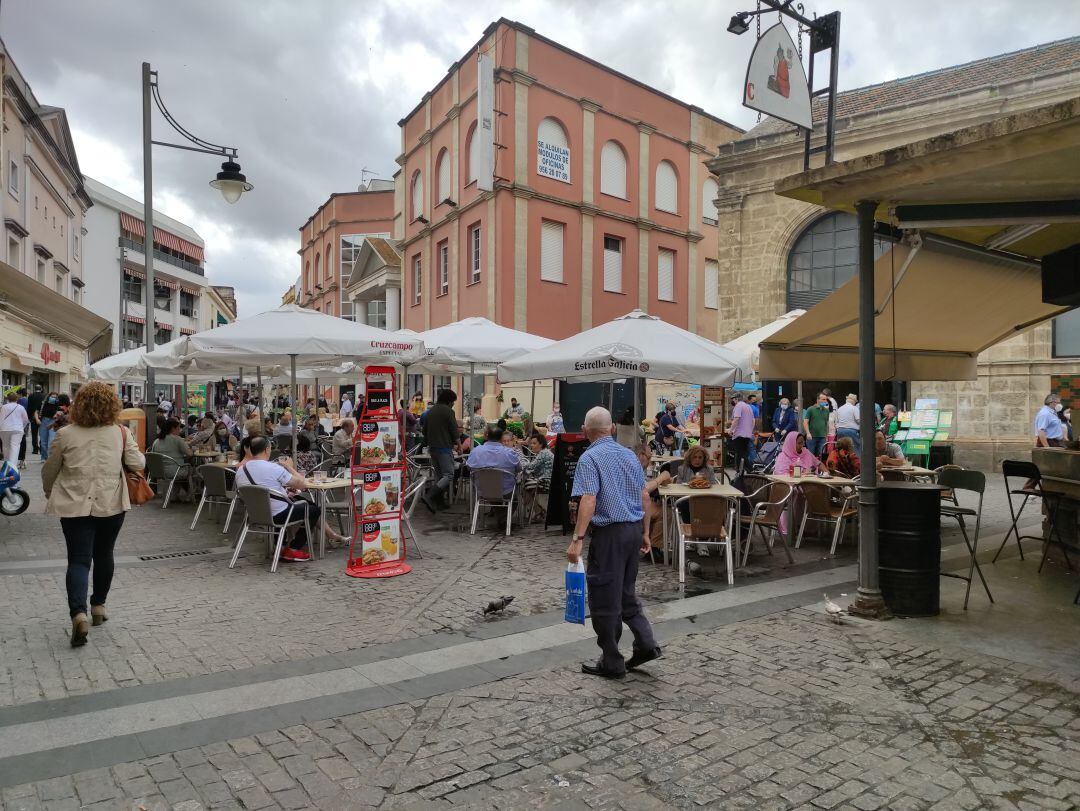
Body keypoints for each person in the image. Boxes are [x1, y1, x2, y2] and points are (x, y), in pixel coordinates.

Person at [42, 382, 145, 647]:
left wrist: (47, 491)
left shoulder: (65, 434)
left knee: (78, 560)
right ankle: (98, 606)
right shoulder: (121, 433)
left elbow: (49, 470)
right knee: (104, 554)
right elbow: (138, 464)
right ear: (113, 406)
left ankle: (78, 614)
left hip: (74, 504)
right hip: (111, 503)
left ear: (79, 405)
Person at [568, 407, 660, 679]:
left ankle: (611, 661)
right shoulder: (629, 456)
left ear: (585, 432)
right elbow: (645, 495)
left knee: (605, 598)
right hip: (632, 531)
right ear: (611, 429)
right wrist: (645, 533)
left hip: (609, 535)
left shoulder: (589, 458)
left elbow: (589, 499)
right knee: (626, 592)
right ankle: (646, 644)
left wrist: (577, 539)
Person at [235, 436, 319, 562]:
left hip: (255, 514)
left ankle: (280, 546)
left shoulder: (241, 470)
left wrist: (283, 492)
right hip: (278, 515)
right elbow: (302, 485)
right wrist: (289, 467)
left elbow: (261, 489)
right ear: (267, 449)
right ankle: (293, 548)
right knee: (313, 509)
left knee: (280, 504)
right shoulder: (273, 468)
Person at [421, 389, 461, 512]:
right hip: (444, 447)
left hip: (432, 448)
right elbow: (454, 431)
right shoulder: (449, 411)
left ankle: (439, 502)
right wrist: (459, 445)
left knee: (439, 475)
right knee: (449, 475)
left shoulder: (430, 411)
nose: (453, 404)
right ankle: (429, 495)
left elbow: (424, 430)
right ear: (449, 401)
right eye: (453, 401)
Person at [466, 427, 522, 497]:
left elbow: (469, 467)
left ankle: (495, 507)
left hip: (482, 490)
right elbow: (519, 468)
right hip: (505, 491)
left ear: (487, 437)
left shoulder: (476, 451)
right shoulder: (509, 452)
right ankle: (502, 507)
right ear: (501, 438)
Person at [0, 392, 30, 471]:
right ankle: (12, 466)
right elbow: (26, 420)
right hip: (17, 429)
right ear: (17, 399)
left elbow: (1, 418)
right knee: (15, 447)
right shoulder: (21, 407)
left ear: (8, 399)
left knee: (5, 446)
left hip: (4, 429)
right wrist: (22, 427)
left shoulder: (3, 407)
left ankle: (6, 464)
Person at [727, 393, 756, 473]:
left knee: (740, 453)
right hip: (747, 434)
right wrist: (750, 430)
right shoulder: (748, 406)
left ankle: (749, 470)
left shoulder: (738, 406)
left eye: (732, 399)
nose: (732, 401)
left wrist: (731, 430)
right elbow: (753, 421)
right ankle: (741, 471)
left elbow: (736, 419)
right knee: (744, 453)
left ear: (736, 399)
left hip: (739, 434)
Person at [39, 391, 61, 460]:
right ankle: (44, 457)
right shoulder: (44, 403)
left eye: (55, 397)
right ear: (49, 397)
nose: (53, 399)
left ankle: (49, 458)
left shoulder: (58, 403)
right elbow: (38, 411)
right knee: (43, 441)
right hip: (44, 421)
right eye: (52, 397)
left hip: (53, 421)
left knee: (51, 441)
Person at [26, 387, 44, 456]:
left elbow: (29, 407)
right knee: (42, 433)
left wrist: (29, 417)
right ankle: (42, 448)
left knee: (34, 434)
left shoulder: (31, 396)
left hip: (33, 418)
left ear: (35, 389)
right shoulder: (44, 396)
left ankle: (35, 449)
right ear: (41, 389)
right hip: (42, 418)